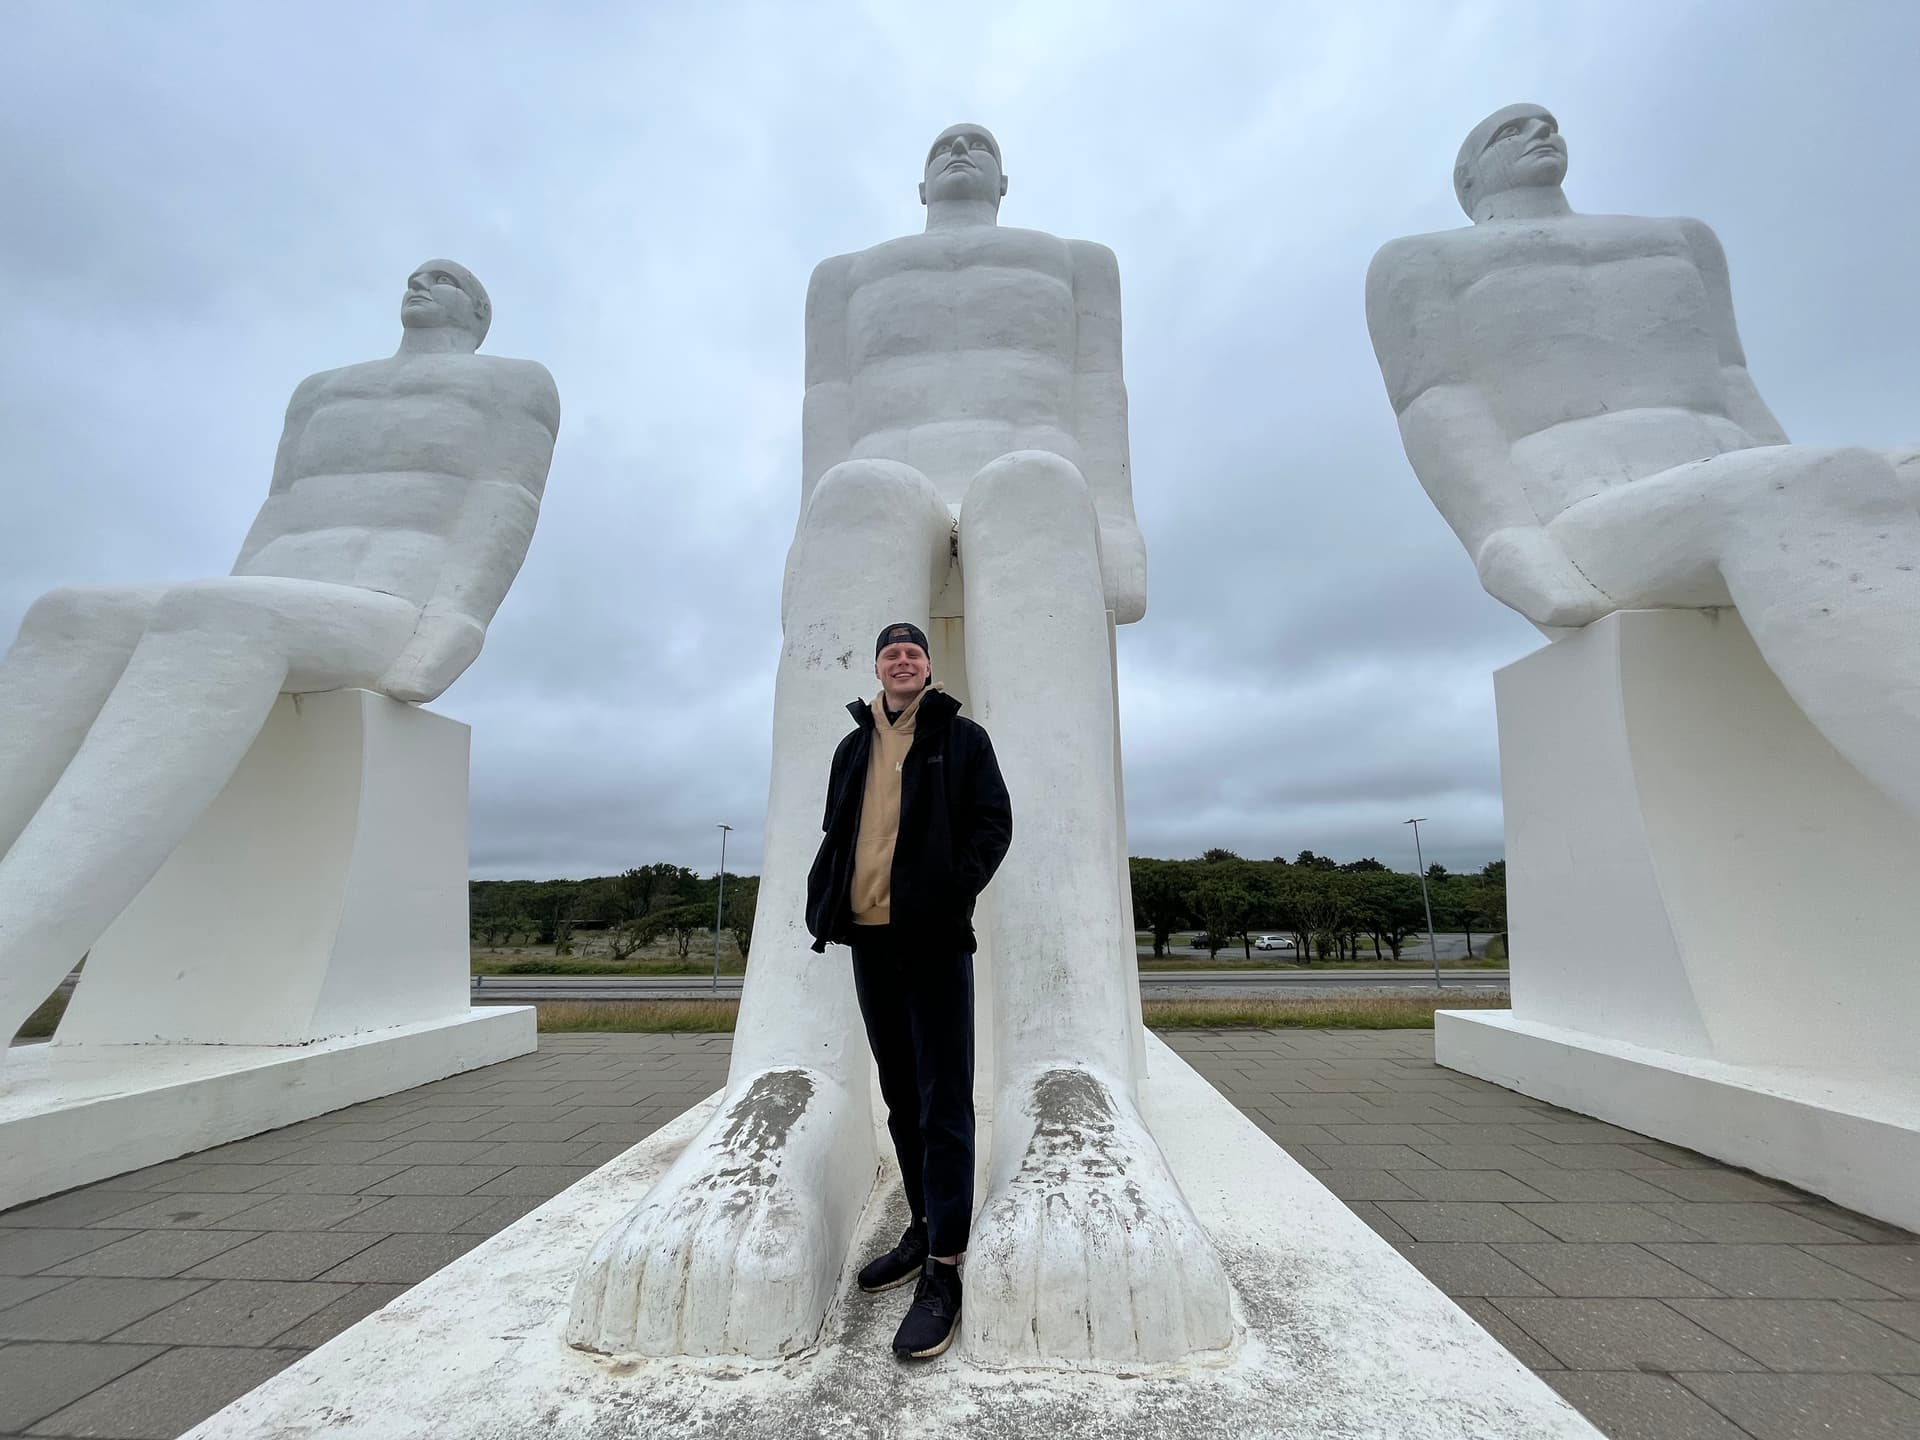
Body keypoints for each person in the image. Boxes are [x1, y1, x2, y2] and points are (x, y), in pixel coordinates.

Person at [568, 125, 1232, 1369]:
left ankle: (1063, 1075)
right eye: (893, 656)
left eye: (910, 656)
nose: (962, 146)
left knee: (1040, 488)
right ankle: (795, 1083)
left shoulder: (1073, 262)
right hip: (869, 922)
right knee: (862, 493)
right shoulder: (847, 280)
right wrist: (809, 547)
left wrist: (1117, 528)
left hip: (934, 912)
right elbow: (830, 427)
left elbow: (1097, 404)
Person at [0, 260, 559, 1062]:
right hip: (273, 593)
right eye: (413, 274)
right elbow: (280, 505)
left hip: (384, 603)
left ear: (478, 310)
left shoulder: (514, 382)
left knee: (222, 618)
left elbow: (507, 500)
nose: (419, 282)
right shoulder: (321, 390)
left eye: (443, 279)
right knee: (70, 613)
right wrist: (202, 623)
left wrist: (457, 624)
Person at [1366, 103, 1920, 822]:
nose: (1540, 132)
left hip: (1745, 478)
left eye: (1547, 123)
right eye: (1510, 130)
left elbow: (1731, 379)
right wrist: (1503, 540)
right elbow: (1438, 405)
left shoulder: (1682, 240)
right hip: (1588, 511)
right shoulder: (1422, 262)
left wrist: (1823, 473)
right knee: (1778, 493)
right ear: (1468, 176)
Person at [795, 620, 1009, 1357]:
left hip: (934, 941)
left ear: (927, 667)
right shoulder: (852, 747)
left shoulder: (963, 739)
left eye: (913, 651)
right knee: (901, 1096)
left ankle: (946, 1264)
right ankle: (922, 1226)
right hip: (870, 941)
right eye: (891, 652)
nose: (903, 660)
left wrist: (950, 891)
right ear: (878, 668)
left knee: (944, 1101)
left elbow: (993, 824)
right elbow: (838, 832)